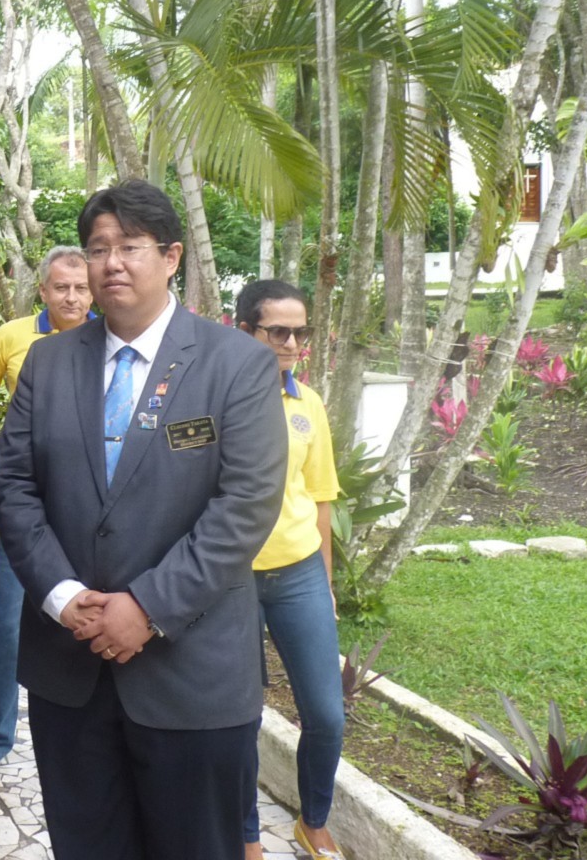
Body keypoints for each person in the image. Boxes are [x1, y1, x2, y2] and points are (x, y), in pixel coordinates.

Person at [0, 179, 287, 860]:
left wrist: (147, 607)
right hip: (71, 667)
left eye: (130, 246)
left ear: (172, 256)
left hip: (192, 674)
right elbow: (13, 486)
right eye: (98, 249)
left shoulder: (237, 364)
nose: (112, 263)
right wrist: (62, 595)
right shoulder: (48, 363)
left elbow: (245, 505)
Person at [0, 245, 92, 794]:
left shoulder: (111, 339)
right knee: (9, 621)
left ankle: (87, 742)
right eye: (62, 287)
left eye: (81, 288)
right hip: (26, 504)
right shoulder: (13, 337)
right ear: (43, 290)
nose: (72, 297)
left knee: (89, 621)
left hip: (91, 510)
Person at [235, 279, 344, 860]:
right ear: (244, 331)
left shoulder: (309, 404)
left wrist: (325, 583)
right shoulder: (217, 396)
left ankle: (313, 822)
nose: (293, 344)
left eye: (301, 332)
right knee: (240, 714)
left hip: (299, 573)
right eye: (279, 331)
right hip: (232, 578)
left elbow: (321, 497)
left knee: (326, 713)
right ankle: (246, 833)